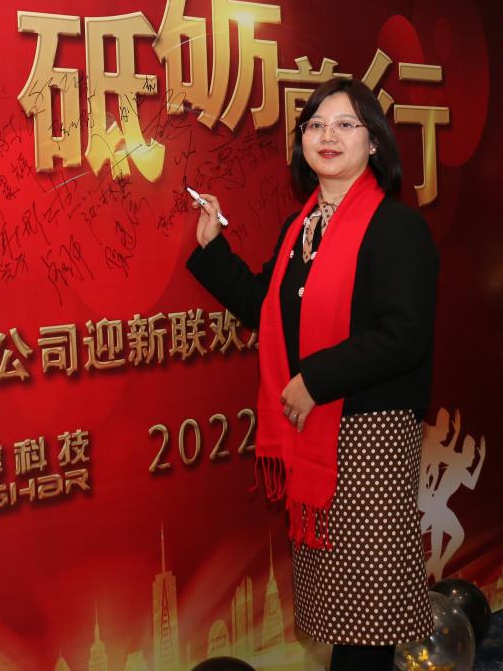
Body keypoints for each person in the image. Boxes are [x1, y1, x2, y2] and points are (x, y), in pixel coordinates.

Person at [186, 79, 438, 671]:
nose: (328, 136)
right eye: (316, 125)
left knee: (368, 613)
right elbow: (266, 309)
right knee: (339, 610)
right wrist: (213, 248)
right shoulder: (301, 228)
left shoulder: (396, 227)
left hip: (370, 434)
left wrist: (312, 381)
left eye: (346, 124)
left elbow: (404, 336)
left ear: (374, 142)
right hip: (315, 436)